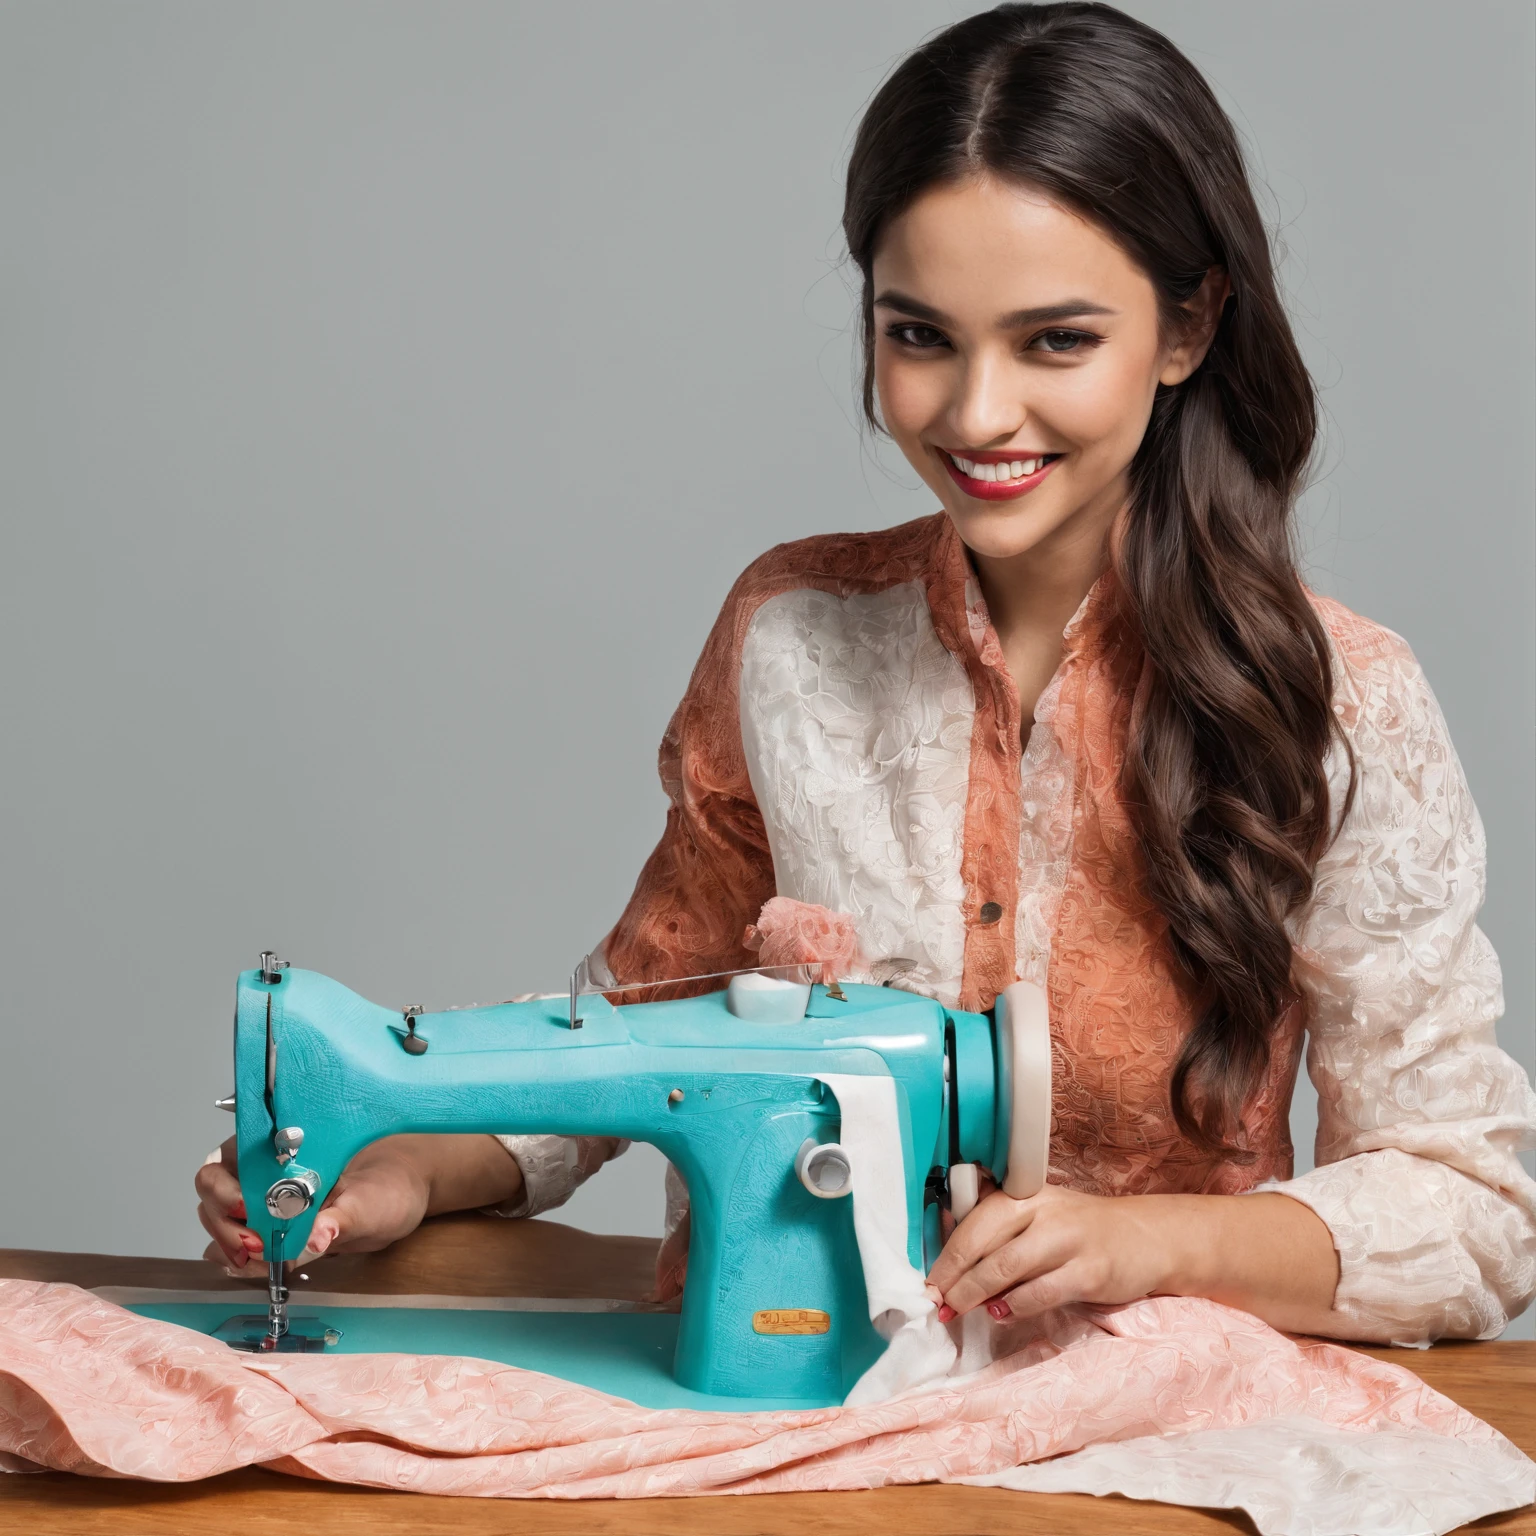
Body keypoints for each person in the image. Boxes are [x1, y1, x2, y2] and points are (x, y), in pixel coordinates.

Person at [194, 1, 1536, 1345]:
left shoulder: (1334, 702)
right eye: (920, 337)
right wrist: (398, 1174)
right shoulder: (793, 635)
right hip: (797, 1401)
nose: (975, 413)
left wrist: (1140, 1245)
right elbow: (640, 1041)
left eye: (1056, 341)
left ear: (1187, 331)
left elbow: (1473, 1214)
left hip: (1148, 1432)